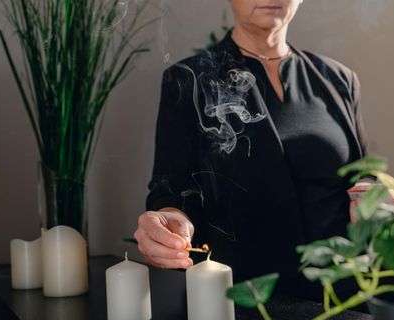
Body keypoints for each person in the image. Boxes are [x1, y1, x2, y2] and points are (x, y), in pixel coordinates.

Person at [134, 0, 374, 301]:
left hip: (345, 294)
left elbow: (364, 173)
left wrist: (373, 194)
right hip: (244, 299)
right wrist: (169, 218)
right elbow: (171, 188)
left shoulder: (340, 79)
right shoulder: (189, 79)